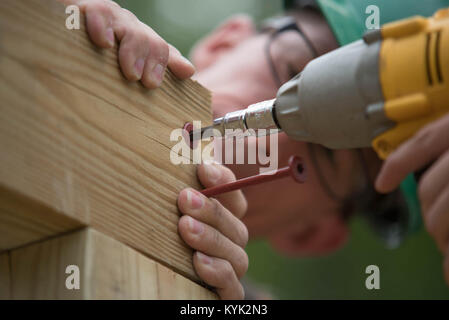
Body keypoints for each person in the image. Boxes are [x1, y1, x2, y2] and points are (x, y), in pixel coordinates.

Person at [59, 0, 449, 299]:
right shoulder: (79, 46)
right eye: (292, 73)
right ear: (223, 41)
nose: (264, 140)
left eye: (327, 152)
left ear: (310, 235)